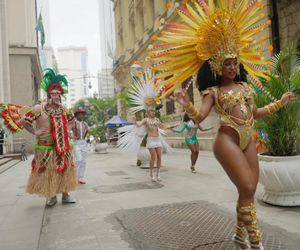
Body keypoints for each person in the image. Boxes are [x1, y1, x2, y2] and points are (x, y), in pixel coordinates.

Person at [147, 2, 295, 249]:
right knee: (247, 186)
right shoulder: (212, 91)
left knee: (247, 192)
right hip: (227, 141)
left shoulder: (246, 88)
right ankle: (256, 243)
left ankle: (239, 236)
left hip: (249, 139)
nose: (233, 67)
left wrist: (280, 102)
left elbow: (256, 112)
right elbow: (200, 117)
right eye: (227, 63)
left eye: (235, 62)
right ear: (217, 66)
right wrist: (186, 104)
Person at [21, 68, 77, 207]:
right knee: (49, 173)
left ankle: (65, 195)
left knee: (65, 171)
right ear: (48, 94)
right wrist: (35, 132)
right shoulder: (38, 109)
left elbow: (72, 120)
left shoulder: (64, 109)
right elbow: (24, 121)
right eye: (54, 94)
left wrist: (68, 130)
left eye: (59, 94)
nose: (57, 97)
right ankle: (52, 197)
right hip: (45, 147)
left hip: (63, 146)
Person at [133, 107, 172, 182]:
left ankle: (158, 174)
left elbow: (162, 126)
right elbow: (138, 124)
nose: (153, 112)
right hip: (151, 140)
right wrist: (135, 121)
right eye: (152, 111)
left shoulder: (157, 120)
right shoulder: (145, 120)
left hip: (157, 140)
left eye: (154, 111)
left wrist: (172, 127)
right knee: (153, 157)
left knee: (159, 157)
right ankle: (151, 174)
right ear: (148, 113)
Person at [72, 107, 89, 184]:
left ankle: (80, 178)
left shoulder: (85, 123)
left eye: (82, 114)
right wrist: (72, 137)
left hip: (83, 142)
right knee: (79, 159)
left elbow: (87, 130)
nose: (81, 115)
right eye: (80, 114)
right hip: (77, 143)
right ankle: (74, 177)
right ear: (76, 115)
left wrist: (85, 135)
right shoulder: (73, 123)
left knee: (83, 161)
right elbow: (67, 130)